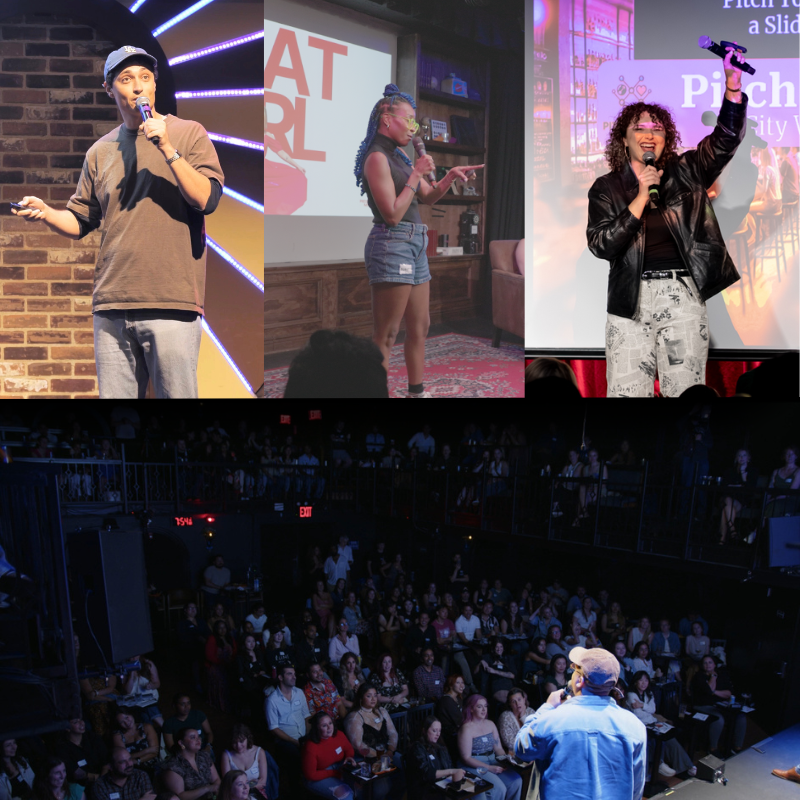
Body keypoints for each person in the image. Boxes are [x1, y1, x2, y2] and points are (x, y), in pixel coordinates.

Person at [13, 47, 224, 397]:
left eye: (145, 77)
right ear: (110, 89)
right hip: (112, 304)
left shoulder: (187, 133)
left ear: (155, 85)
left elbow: (207, 199)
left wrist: (168, 149)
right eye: (126, 79)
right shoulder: (100, 151)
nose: (138, 87)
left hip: (171, 300)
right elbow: (81, 220)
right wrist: (47, 213)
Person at [587, 47, 748, 397]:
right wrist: (642, 196)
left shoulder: (688, 170)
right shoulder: (606, 188)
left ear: (666, 140)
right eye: (639, 127)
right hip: (629, 301)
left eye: (657, 129)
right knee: (627, 396)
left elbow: (725, 141)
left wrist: (732, 89)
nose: (649, 134)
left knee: (685, 396)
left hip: (682, 296)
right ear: (624, 138)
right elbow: (601, 245)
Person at [355, 84, 483, 398]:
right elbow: (393, 215)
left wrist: (449, 176)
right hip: (392, 243)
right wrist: (415, 174)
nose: (415, 128)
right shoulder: (376, 158)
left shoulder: (398, 156)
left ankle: (416, 393)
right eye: (410, 119)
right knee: (387, 334)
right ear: (387, 118)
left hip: (415, 243)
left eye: (416, 122)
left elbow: (427, 196)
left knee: (420, 326)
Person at [515, 646, 646, 798]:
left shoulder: (552, 720)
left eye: (574, 670)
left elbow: (521, 748)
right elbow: (636, 787)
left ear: (579, 680)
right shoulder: (635, 726)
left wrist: (548, 707)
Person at [626, 672, 695, 777]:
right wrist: (646, 708)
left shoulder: (649, 693)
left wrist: (642, 705)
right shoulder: (631, 694)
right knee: (657, 739)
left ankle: (687, 766)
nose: (644, 683)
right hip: (639, 725)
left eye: (646, 680)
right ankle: (659, 763)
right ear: (635, 682)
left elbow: (653, 709)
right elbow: (638, 714)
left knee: (671, 738)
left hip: (652, 721)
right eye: (641, 680)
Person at [457, 694, 522, 800]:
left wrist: (506, 760)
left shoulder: (490, 724)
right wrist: (489, 768)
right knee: (499, 788)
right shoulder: (466, 729)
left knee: (516, 780)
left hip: (492, 760)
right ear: (471, 709)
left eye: (485, 706)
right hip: (474, 764)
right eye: (479, 707)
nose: (484, 710)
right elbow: (466, 758)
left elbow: (498, 749)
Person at [343, 685, 404, 798]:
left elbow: (393, 733)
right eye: (369, 696)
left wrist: (390, 751)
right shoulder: (355, 717)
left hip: (387, 753)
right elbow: (358, 745)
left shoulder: (382, 711)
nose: (373, 699)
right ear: (361, 698)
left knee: (405, 768)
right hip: (367, 758)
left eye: (375, 695)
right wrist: (380, 756)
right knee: (382, 789)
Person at [690, 655, 747, 757]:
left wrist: (715, 692)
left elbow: (729, 693)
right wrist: (713, 677)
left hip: (720, 706)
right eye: (705, 663)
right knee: (718, 719)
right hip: (702, 706)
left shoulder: (722, 675)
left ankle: (736, 748)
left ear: (715, 664)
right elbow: (709, 690)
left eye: (710, 662)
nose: (708, 665)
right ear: (702, 665)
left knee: (741, 717)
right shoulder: (699, 677)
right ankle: (712, 748)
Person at [265, 665, 311, 773]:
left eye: (294, 674)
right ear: (280, 677)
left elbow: (307, 716)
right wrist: (294, 741)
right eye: (289, 674)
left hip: (303, 736)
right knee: (296, 757)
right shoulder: (272, 700)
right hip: (286, 740)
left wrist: (307, 737)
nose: (294, 677)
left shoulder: (299, 692)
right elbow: (274, 728)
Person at [406, 717, 465, 800]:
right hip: (425, 791)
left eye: (439, 730)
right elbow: (426, 773)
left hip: (443, 787)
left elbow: (449, 765)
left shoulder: (441, 747)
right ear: (424, 730)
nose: (438, 734)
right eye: (434, 730)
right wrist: (451, 771)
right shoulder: (417, 748)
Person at [301, 713, 356, 800]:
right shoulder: (310, 746)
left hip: (338, 767)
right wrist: (333, 773)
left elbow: (349, 749)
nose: (329, 727)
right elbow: (310, 775)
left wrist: (349, 757)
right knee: (346, 795)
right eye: (324, 725)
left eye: (330, 723)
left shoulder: (339, 734)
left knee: (360, 788)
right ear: (317, 728)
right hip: (317, 776)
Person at [162, 729, 221, 800]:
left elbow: (216, 779)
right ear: (181, 743)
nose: (198, 739)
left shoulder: (204, 756)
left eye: (198, 737)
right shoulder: (173, 766)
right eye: (193, 737)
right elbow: (180, 796)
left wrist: (216, 791)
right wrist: (207, 789)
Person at [719, 449, 758, 544]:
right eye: (739, 455)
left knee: (725, 510)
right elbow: (724, 486)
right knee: (727, 501)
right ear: (736, 458)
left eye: (744, 455)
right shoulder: (729, 471)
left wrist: (744, 475)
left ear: (748, 458)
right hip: (726, 498)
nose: (741, 458)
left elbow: (750, 490)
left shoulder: (752, 471)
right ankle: (732, 532)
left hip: (740, 500)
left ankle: (722, 540)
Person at [52, 719, 107, 787]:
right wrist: (98, 779)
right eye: (75, 722)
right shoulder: (62, 748)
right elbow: (76, 773)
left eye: (81, 720)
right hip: (80, 786)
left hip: (104, 780)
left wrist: (104, 781)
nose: (81, 723)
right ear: (67, 728)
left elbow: (106, 763)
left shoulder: (93, 738)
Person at [219, 725, 268, 800]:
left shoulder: (259, 752)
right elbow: (228, 783)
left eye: (241, 741)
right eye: (234, 742)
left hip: (257, 792)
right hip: (235, 794)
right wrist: (252, 783)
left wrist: (241, 786)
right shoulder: (226, 755)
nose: (238, 746)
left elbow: (263, 781)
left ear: (248, 738)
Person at [119, 655, 163, 728]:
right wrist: (132, 673)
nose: (133, 658)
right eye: (131, 656)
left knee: (156, 716)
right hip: (133, 702)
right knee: (144, 718)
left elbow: (157, 683)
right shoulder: (123, 667)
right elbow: (128, 691)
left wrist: (151, 686)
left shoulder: (148, 664)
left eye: (135, 655)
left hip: (149, 699)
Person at [176, 603, 209, 695]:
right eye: (190, 608)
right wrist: (198, 638)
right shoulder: (182, 623)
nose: (193, 609)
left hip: (204, 646)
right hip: (190, 648)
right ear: (185, 610)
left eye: (194, 608)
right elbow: (182, 638)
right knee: (196, 661)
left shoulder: (201, 621)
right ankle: (198, 684)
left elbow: (208, 633)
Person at [205, 620, 237, 712]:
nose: (222, 630)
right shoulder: (212, 639)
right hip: (216, 666)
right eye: (220, 628)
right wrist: (222, 662)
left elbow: (235, 651)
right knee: (221, 680)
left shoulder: (230, 638)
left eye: (224, 627)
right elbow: (209, 655)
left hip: (229, 664)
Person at [236, 634, 268, 715]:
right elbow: (241, 673)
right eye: (249, 641)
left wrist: (261, 670)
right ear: (244, 643)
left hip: (260, 681)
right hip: (248, 683)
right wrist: (253, 674)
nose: (252, 644)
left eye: (253, 641)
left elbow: (263, 668)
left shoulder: (258, 653)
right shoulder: (240, 657)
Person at [477, 639, 516, 704]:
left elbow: (512, 675)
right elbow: (475, 672)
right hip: (496, 684)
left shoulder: (508, 658)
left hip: (508, 683)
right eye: (497, 647)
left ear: (503, 648)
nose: (499, 649)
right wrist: (481, 662)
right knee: (508, 701)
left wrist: (495, 671)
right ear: (493, 648)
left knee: (522, 700)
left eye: (501, 647)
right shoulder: (488, 658)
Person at [497, 688, 535, 754]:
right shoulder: (505, 717)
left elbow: (536, 734)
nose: (517, 703)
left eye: (519, 700)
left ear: (524, 699)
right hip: (514, 752)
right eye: (513, 701)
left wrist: (523, 717)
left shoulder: (530, 711)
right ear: (510, 704)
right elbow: (510, 743)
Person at [436, 675, 465, 760]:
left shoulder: (458, 698)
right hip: (448, 736)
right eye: (458, 682)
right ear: (451, 685)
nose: (462, 685)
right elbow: (460, 720)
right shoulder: (446, 700)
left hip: (456, 731)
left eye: (462, 682)